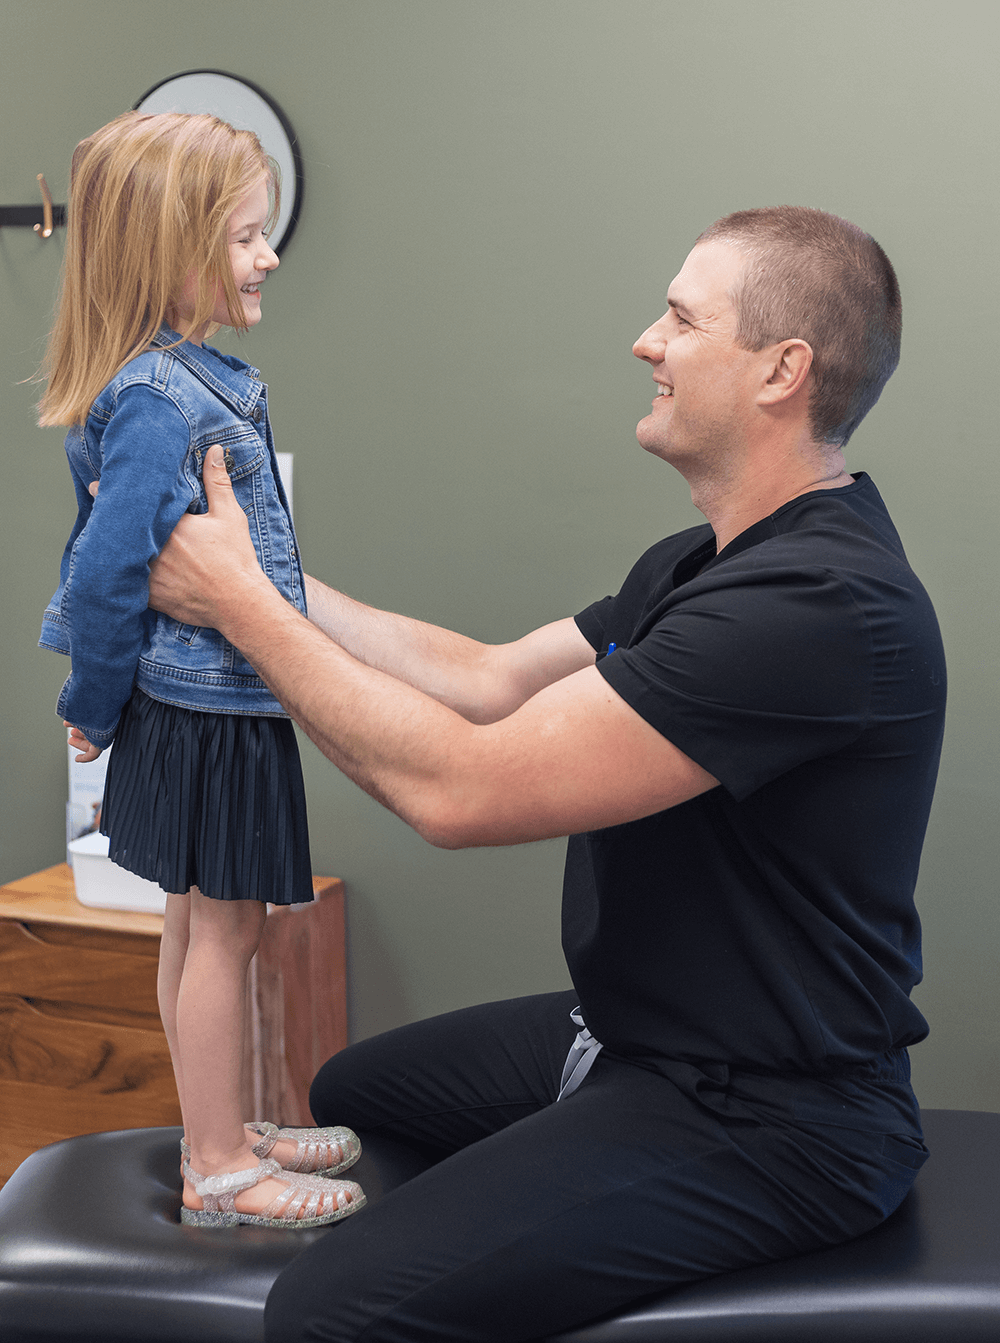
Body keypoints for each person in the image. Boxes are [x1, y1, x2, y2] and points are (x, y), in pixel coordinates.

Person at [147, 207, 946, 1341]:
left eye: (678, 316)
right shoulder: (703, 562)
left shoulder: (820, 607)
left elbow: (460, 788)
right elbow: (483, 680)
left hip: (771, 1113)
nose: (645, 340)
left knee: (332, 1307)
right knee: (354, 1095)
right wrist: (265, 577)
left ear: (782, 370)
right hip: (635, 1033)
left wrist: (233, 605)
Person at [37, 110, 366, 1230]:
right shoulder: (155, 398)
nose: (267, 255)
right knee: (221, 929)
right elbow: (105, 569)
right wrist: (90, 703)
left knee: (206, 924)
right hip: (203, 708)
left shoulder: (182, 380)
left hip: (212, 702)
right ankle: (221, 1162)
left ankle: (221, 1121)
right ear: (169, 249)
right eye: (243, 236)